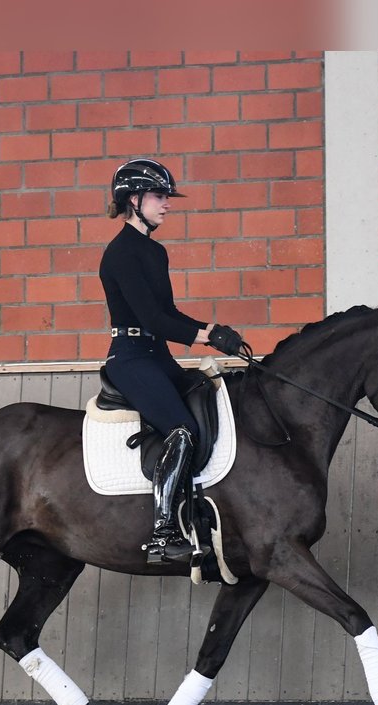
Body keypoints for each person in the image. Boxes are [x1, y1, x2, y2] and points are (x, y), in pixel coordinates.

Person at [99, 157, 244, 565]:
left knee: (212, 400)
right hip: (130, 359)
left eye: (166, 197)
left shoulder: (154, 252)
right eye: (160, 196)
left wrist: (214, 331)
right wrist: (203, 335)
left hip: (156, 356)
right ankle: (161, 536)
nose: (167, 204)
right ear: (134, 199)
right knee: (180, 430)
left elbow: (170, 312)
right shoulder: (121, 253)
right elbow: (151, 318)